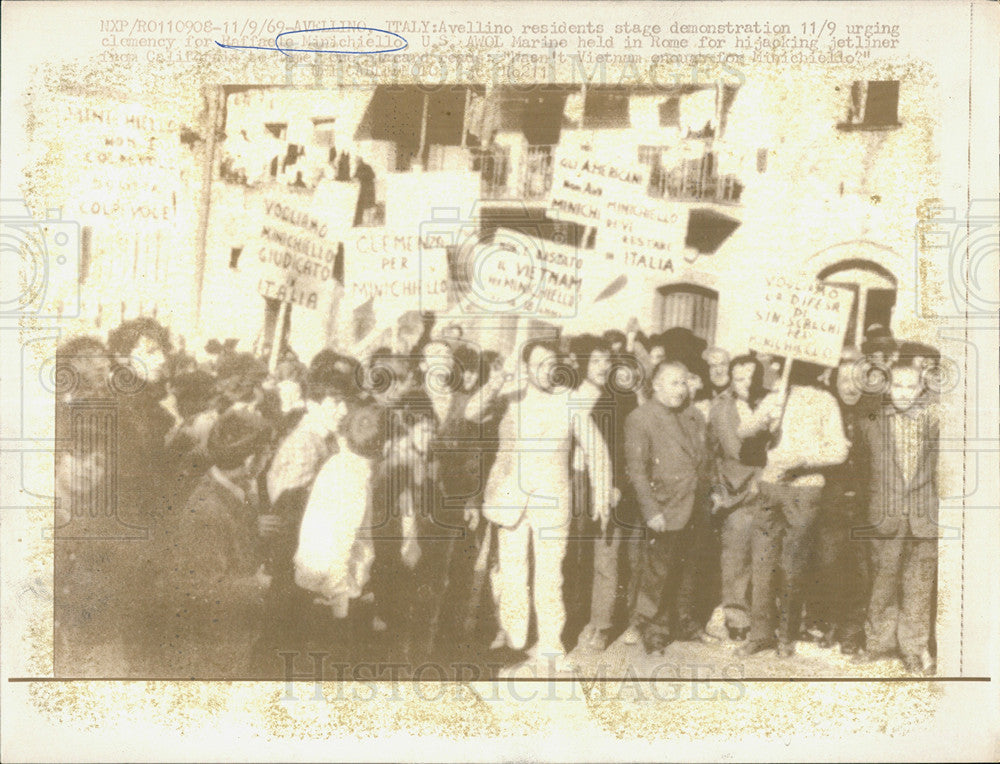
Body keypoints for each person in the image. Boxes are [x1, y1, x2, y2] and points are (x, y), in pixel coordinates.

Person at [479, 339, 614, 672]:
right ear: (526, 367)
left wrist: (601, 491)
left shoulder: (569, 401)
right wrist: (498, 379)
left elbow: (596, 447)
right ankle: (514, 640)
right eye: (537, 363)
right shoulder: (510, 396)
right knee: (512, 572)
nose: (545, 370)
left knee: (550, 575)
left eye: (550, 363)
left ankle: (551, 645)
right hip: (510, 498)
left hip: (552, 501)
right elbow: (472, 411)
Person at [255, 350, 359, 674]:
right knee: (281, 639)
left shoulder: (325, 437)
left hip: (306, 556)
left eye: (346, 403)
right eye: (335, 402)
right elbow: (286, 508)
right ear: (313, 402)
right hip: (292, 558)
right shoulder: (306, 442)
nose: (343, 410)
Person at [738, 360, 850, 657]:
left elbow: (838, 450)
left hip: (804, 488)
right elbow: (742, 430)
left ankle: (786, 636)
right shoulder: (776, 395)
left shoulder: (826, 401)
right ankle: (760, 633)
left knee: (792, 565)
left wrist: (803, 459)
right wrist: (763, 420)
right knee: (762, 563)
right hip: (770, 486)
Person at [155, 409, 269, 678]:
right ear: (252, 459)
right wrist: (259, 584)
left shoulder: (232, 489)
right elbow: (200, 589)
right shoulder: (207, 510)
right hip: (215, 649)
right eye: (266, 452)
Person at [853, 357, 939, 675]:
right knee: (882, 581)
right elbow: (860, 472)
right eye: (897, 386)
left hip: (924, 515)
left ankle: (914, 649)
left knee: (918, 585)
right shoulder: (869, 422)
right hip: (883, 515)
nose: (903, 393)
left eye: (910, 386)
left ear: (922, 388)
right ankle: (878, 643)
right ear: (887, 387)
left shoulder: (937, 423)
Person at [623, 360, 712, 654]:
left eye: (684, 382)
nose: (681, 389)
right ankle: (655, 632)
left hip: (695, 505)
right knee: (659, 573)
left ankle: (685, 623)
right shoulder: (641, 418)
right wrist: (651, 511)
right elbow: (637, 471)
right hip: (665, 507)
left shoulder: (694, 416)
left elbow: (704, 459)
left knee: (690, 569)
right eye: (673, 382)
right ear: (656, 384)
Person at [575, 336, 640, 652]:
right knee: (573, 557)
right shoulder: (570, 397)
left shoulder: (621, 398)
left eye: (606, 361)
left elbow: (625, 449)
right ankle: (576, 618)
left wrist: (617, 485)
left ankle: (601, 624)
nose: (602, 367)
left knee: (606, 553)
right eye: (595, 360)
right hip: (572, 483)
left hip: (607, 485)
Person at [707, 354, 770, 640]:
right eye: (740, 378)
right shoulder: (722, 408)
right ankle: (736, 616)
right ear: (732, 381)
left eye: (752, 378)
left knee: (766, 555)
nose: (747, 384)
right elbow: (722, 449)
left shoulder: (772, 403)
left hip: (768, 484)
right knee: (736, 553)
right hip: (737, 487)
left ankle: (764, 617)